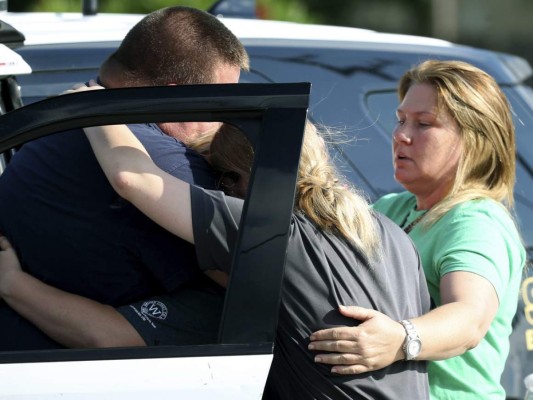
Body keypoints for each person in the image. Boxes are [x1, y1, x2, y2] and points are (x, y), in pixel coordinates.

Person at [1, 116, 430, 398]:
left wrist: (89, 108)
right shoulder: (393, 234)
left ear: (237, 181)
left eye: (214, 183)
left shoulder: (269, 231)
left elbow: (132, 178)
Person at [0, 6, 249, 350]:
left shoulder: (53, 124)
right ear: (174, 97)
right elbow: (267, 283)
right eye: (221, 106)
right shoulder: (164, 166)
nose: (224, 125)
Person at [307, 60, 526, 400]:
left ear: (475, 139)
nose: (400, 135)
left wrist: (399, 339)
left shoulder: (475, 221)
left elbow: (469, 320)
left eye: (424, 124)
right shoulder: (392, 208)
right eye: (401, 120)